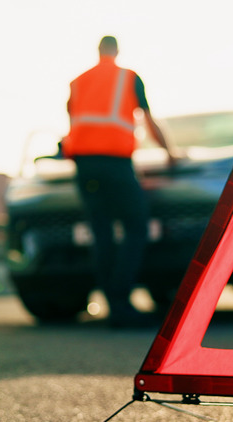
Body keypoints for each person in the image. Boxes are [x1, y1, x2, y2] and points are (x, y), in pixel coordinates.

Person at [61, 36, 175, 328]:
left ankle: (113, 303)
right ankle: (121, 300)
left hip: (84, 166)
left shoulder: (78, 82)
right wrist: (169, 152)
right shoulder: (128, 78)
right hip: (115, 163)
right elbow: (148, 121)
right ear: (117, 51)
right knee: (136, 225)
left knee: (101, 233)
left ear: (99, 51)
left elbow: (73, 124)